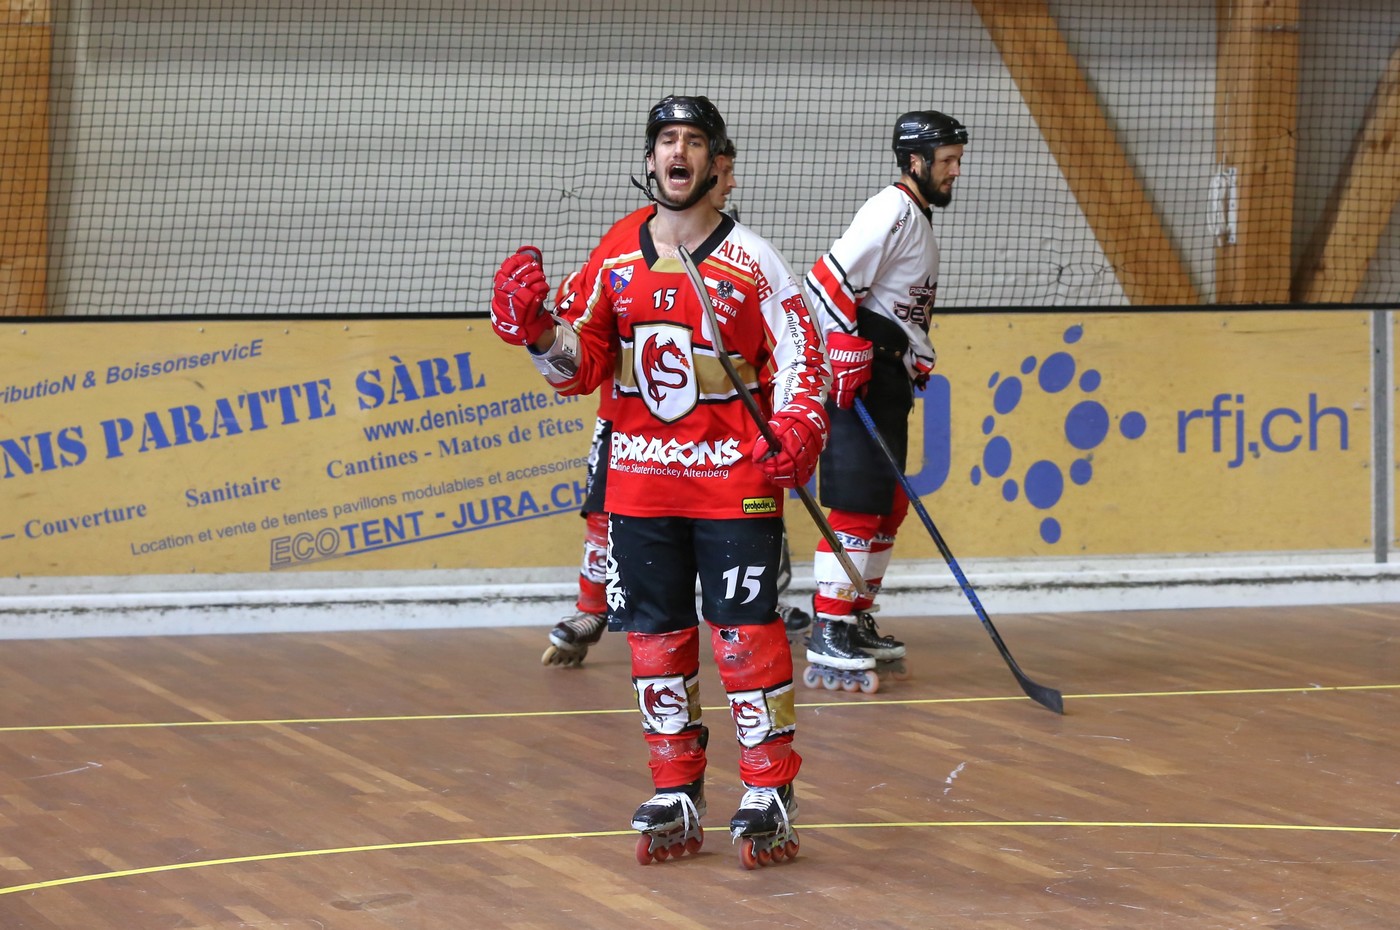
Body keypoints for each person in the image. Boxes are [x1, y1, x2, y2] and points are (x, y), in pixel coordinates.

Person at [490, 95, 829, 867]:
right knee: (653, 636)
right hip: (640, 483)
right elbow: (580, 367)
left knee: (745, 636)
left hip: (734, 481)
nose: (678, 152)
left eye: (694, 141)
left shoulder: (756, 260)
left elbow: (801, 360)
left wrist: (799, 428)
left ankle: (768, 789)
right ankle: (676, 787)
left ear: (718, 164)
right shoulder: (615, 252)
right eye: (667, 140)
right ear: (650, 161)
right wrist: (537, 333)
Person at [542, 138, 812, 667]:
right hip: (632, 429)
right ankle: (592, 606)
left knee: (745, 545)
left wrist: (798, 414)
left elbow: (791, 349)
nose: (731, 182)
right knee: (603, 510)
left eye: (727, 168)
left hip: (724, 453)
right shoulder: (624, 239)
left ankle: (759, 598)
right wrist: (541, 332)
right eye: (726, 170)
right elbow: (580, 330)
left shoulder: (746, 253)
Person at [801, 110, 968, 690]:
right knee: (856, 502)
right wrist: (844, 346)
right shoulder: (891, 209)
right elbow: (824, 282)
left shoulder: (915, 216)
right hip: (861, 376)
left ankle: (855, 615)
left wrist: (916, 353)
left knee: (888, 504)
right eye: (946, 161)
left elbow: (898, 302)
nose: (954, 171)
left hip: (888, 374)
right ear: (915, 161)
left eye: (957, 161)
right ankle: (830, 624)